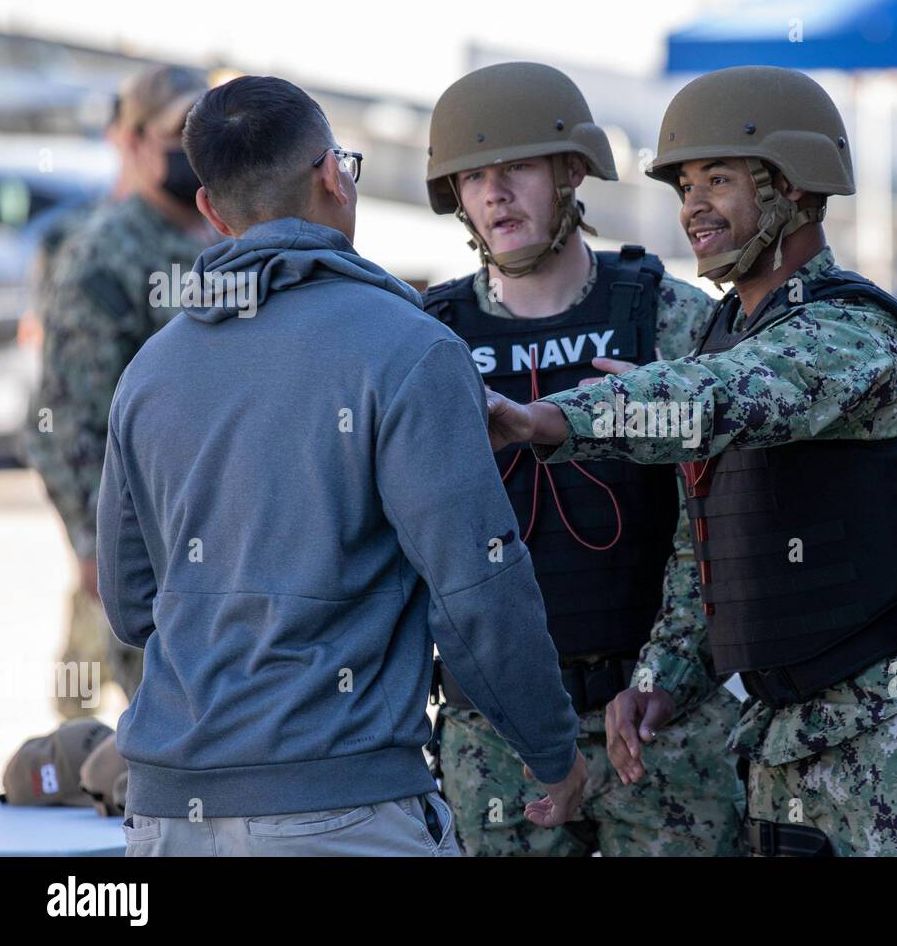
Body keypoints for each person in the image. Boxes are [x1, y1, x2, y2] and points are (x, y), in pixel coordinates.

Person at [487, 66, 897, 857]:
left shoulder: (850, 331)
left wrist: (546, 419)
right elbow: (707, 553)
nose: (693, 206)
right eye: (684, 185)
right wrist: (663, 680)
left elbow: (724, 395)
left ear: (794, 187)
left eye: (719, 178)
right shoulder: (722, 337)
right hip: (787, 746)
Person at [98, 74, 584, 856]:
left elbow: (129, 605)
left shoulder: (150, 372)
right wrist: (552, 753)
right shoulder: (408, 347)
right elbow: (477, 593)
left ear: (212, 212)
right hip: (342, 811)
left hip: (165, 813)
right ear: (334, 175)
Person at [420, 61, 744, 856]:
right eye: (473, 176)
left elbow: (722, 518)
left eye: (518, 166)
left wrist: (665, 676)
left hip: (660, 716)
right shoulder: (426, 338)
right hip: (495, 730)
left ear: (571, 172)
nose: (495, 191)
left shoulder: (666, 315)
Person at [26, 64, 217, 712]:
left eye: (203, 130)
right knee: (155, 727)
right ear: (133, 140)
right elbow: (63, 418)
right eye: (176, 134)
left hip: (224, 541)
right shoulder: (106, 251)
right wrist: (91, 547)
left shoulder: (228, 233)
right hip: (144, 545)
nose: (193, 149)